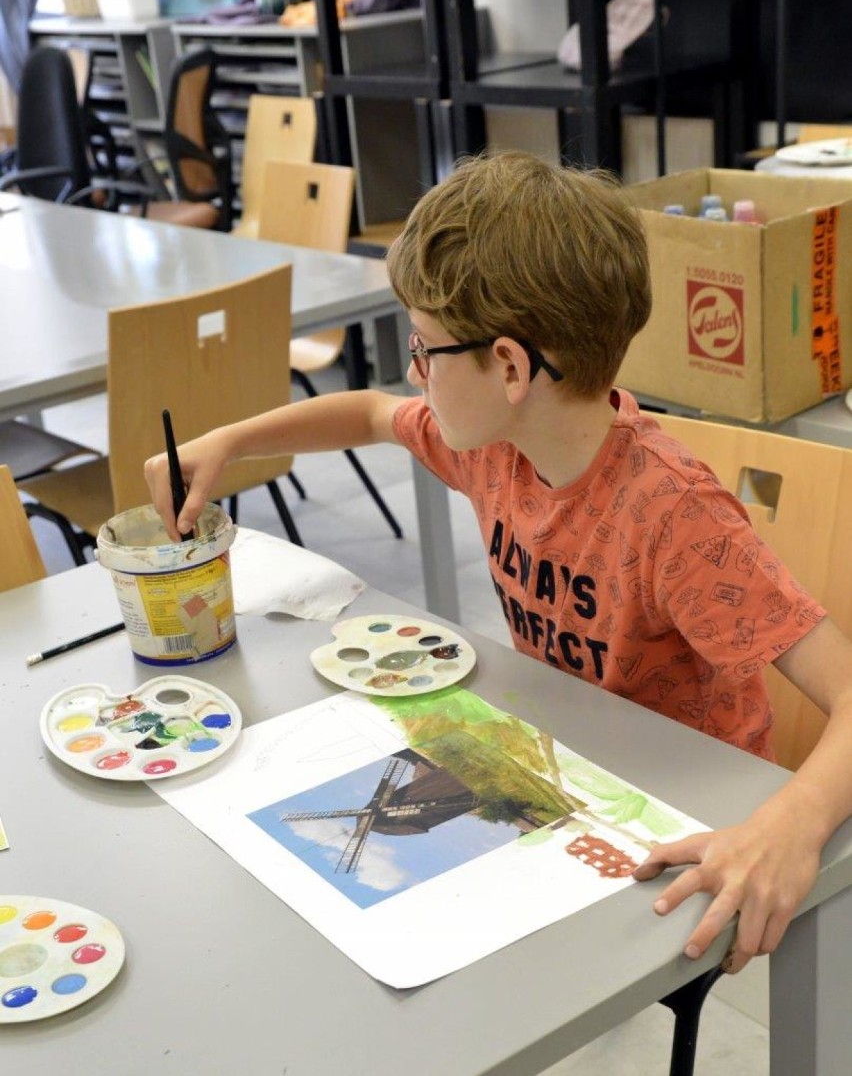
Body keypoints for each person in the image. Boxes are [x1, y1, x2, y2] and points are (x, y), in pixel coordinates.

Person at [145, 150, 852, 975]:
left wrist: (793, 820)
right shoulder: (496, 446)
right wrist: (229, 442)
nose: (414, 374)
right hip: (569, 769)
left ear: (511, 366)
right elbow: (374, 414)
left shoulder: (673, 515)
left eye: (425, 350)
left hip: (679, 816)